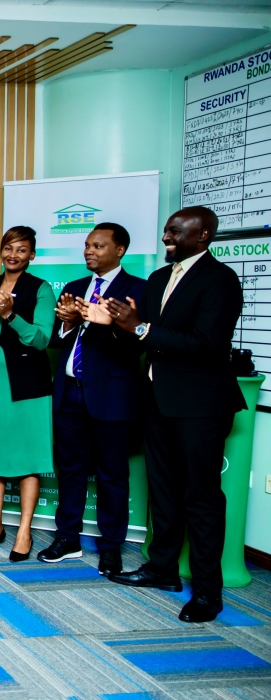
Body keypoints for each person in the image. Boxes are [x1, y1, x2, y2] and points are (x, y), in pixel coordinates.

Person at [103, 206, 245, 623]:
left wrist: (141, 329)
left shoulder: (220, 281)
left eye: (175, 232)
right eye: (166, 230)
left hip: (200, 406)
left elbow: (207, 345)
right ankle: (162, 569)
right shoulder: (159, 279)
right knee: (162, 492)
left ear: (202, 236)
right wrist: (111, 324)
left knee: (200, 498)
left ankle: (207, 592)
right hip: (157, 401)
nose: (167, 237)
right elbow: (136, 340)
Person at [40, 223, 145, 577]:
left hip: (112, 395)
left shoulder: (138, 291)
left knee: (112, 473)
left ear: (120, 250)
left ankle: (110, 546)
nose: (89, 251)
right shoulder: (73, 288)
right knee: (69, 469)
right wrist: (69, 323)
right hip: (70, 390)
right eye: (87, 245)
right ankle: (67, 537)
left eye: (98, 246)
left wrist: (103, 323)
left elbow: (139, 345)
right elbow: (58, 340)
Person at [0, 226, 55, 562]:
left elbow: (42, 339)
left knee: (28, 459)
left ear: (31, 255)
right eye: (8, 248)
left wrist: (10, 316)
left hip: (29, 386)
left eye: (21, 250)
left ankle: (24, 531)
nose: (13, 255)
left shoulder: (40, 289)